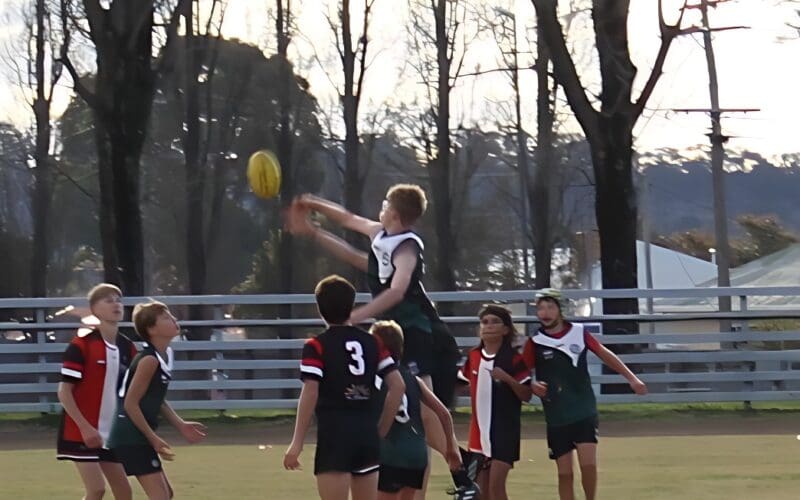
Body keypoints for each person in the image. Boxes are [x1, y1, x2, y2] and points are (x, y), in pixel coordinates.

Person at [284, 185, 471, 498]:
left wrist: (357, 316)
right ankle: (453, 463)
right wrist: (311, 206)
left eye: (384, 204)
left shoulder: (407, 247)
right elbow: (348, 223)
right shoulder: (380, 234)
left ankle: (462, 466)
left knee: (422, 411)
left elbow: (397, 290)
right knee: (409, 413)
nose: (379, 209)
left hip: (418, 330)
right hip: (394, 330)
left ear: (394, 213)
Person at [283, 275, 406, 500]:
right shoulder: (373, 342)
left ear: (320, 308)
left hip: (335, 436)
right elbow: (398, 386)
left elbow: (310, 392)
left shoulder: (316, 345)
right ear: (351, 306)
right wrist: (381, 429)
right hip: (366, 435)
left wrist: (297, 442)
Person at [522, 289, 648, 500]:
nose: (545, 312)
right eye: (541, 308)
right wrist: (532, 384)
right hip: (556, 415)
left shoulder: (579, 333)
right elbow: (522, 372)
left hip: (583, 409)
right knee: (565, 473)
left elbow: (605, 354)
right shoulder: (535, 342)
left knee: (588, 465)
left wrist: (632, 378)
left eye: (550, 307)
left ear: (561, 309)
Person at [106, 301, 207, 500]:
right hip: (129, 436)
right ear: (152, 329)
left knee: (166, 494)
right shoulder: (149, 360)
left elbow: (156, 398)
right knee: (160, 496)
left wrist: (180, 424)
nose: (174, 320)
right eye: (166, 317)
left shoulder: (164, 355)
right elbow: (130, 403)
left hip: (137, 435)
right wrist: (153, 438)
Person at [57, 283, 134, 500]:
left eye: (118, 300)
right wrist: (85, 427)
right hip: (81, 430)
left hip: (111, 432)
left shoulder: (127, 347)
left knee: (124, 491)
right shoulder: (82, 345)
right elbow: (64, 391)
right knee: (96, 489)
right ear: (94, 309)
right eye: (108, 301)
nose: (116, 305)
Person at [370, 321, 463, 500]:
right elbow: (444, 413)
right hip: (416, 454)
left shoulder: (377, 379)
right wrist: (451, 449)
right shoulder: (414, 379)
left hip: (390, 453)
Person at [457, 304, 532, 500]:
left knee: (496, 489)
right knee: (481, 492)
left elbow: (526, 394)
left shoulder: (513, 359)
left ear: (505, 329)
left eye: (495, 322)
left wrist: (507, 378)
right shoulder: (473, 356)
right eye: (484, 322)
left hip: (504, 433)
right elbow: (460, 383)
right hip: (478, 434)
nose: (488, 326)